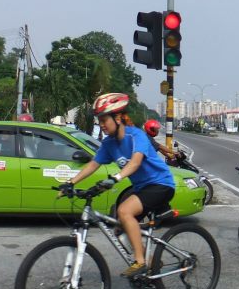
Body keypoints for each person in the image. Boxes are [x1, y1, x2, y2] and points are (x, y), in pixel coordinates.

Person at [64, 93, 177, 276]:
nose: (101, 124)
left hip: (160, 184)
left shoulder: (136, 136)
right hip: (141, 189)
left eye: (104, 120)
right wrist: (70, 182)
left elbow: (135, 162)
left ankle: (140, 262)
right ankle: (149, 263)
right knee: (119, 228)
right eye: (99, 120)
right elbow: (93, 164)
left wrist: (115, 179)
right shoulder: (109, 143)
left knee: (125, 211)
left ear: (117, 118)